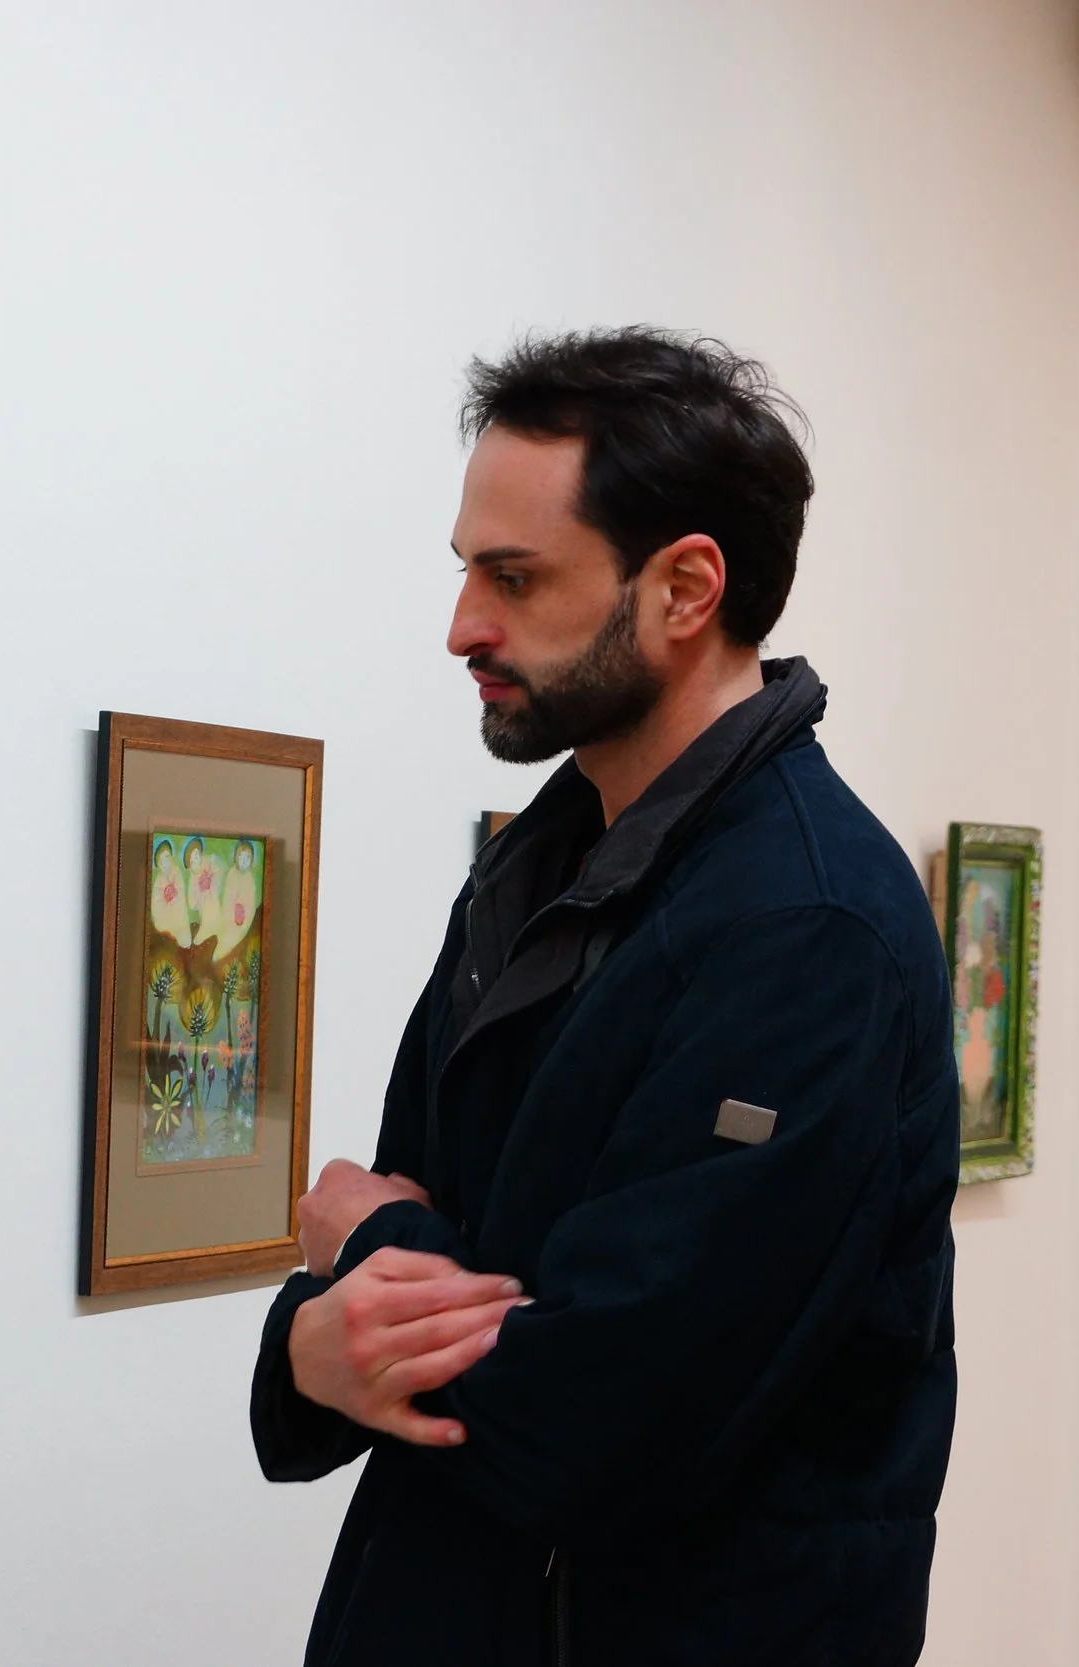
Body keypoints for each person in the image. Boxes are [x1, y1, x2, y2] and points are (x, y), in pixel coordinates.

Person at [249, 328, 958, 1667]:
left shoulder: (813, 929)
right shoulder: (536, 864)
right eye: (466, 570)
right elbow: (405, 1241)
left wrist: (358, 1266)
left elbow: (600, 1423)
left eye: (514, 578)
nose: (462, 625)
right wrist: (311, 1345)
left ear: (686, 586)